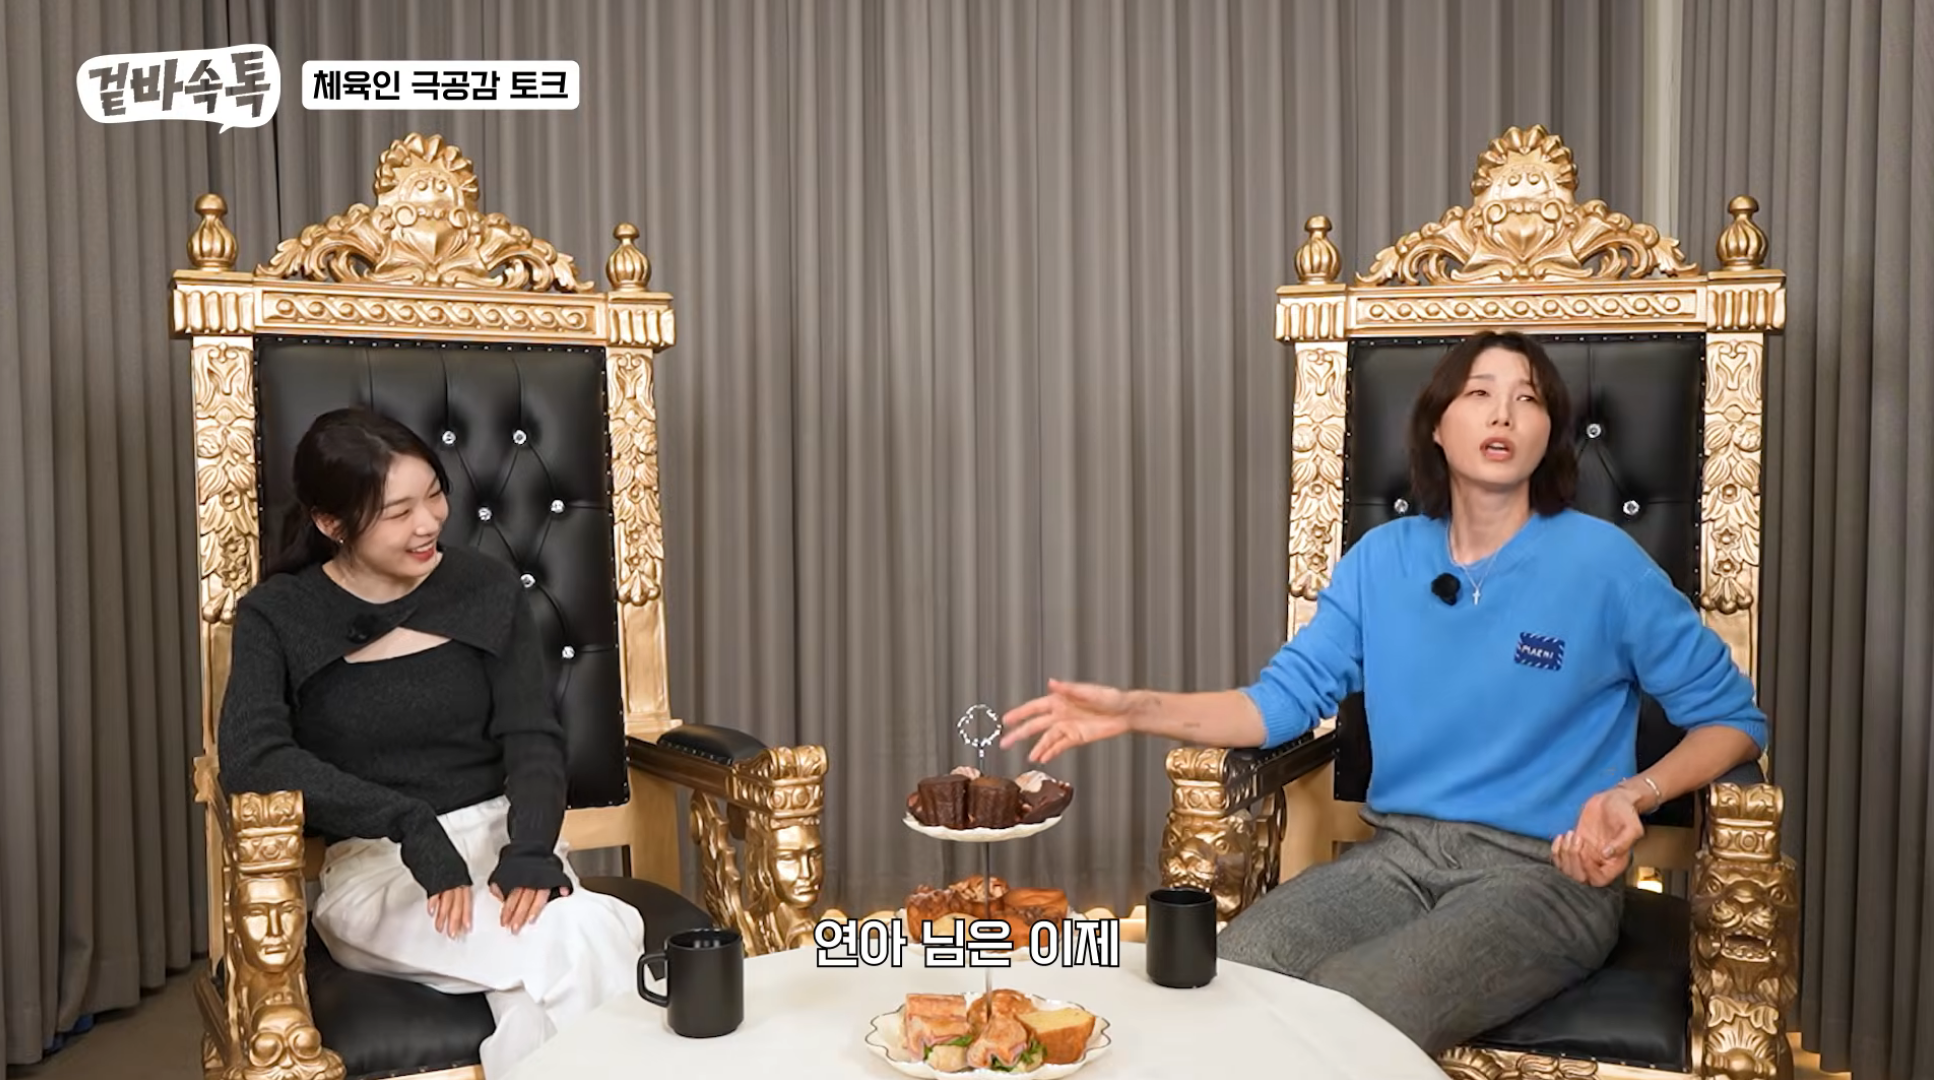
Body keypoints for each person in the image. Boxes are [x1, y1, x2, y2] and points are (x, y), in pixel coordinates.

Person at [998, 330, 1765, 1055]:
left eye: (1528, 399)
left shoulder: (1604, 565)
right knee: (1229, 974)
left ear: (1548, 433)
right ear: (1436, 425)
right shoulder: (1382, 560)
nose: (1503, 413)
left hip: (1545, 879)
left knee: (1348, 1005)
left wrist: (1633, 794)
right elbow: (1278, 704)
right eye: (1479, 393)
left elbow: (1733, 721)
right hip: (1396, 859)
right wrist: (1138, 709)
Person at [218, 406, 645, 1078]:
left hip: (507, 846)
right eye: (397, 512)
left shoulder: (484, 585)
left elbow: (532, 734)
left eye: (435, 495)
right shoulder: (278, 615)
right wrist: (408, 821)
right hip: (381, 872)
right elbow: (253, 758)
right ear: (332, 524)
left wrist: (531, 848)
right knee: (596, 932)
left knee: (541, 998)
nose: (428, 523)